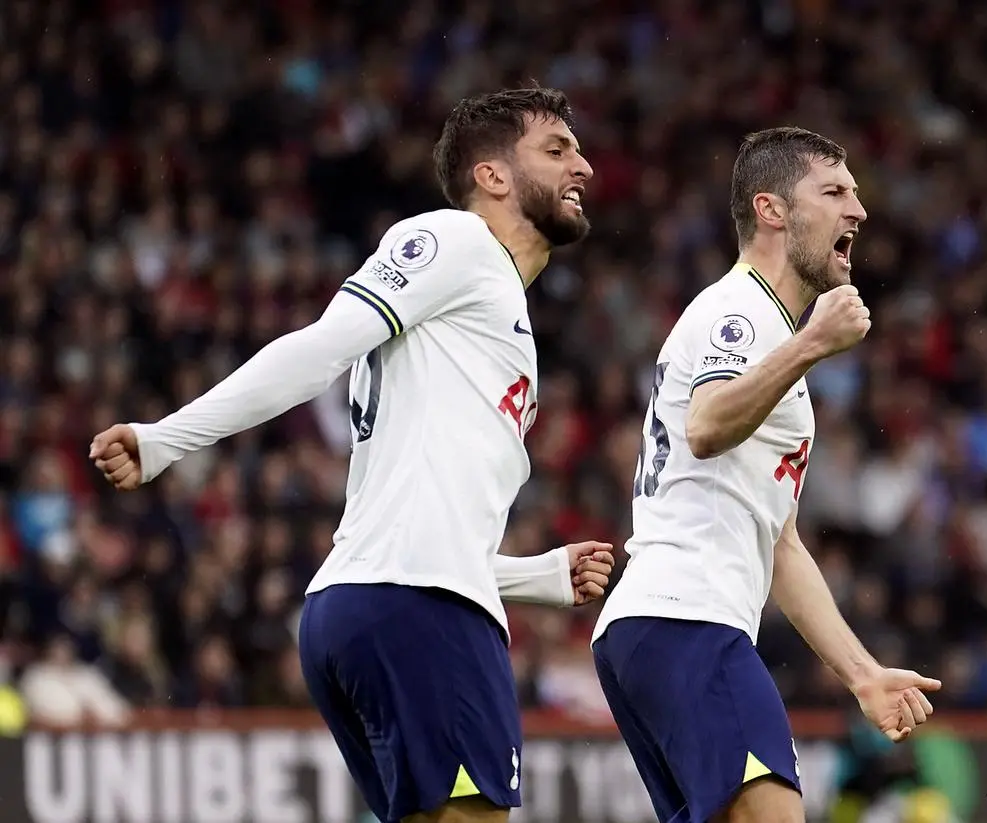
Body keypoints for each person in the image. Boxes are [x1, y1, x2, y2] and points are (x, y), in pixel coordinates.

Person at [89, 87, 615, 823]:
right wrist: (165, 438)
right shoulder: (456, 242)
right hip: (417, 605)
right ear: (493, 175)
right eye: (557, 149)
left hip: (380, 598)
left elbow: (423, 515)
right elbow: (320, 349)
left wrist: (539, 574)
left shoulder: (487, 311)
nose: (584, 165)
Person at [591, 127, 943, 823]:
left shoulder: (764, 332)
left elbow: (779, 543)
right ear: (772, 210)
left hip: (662, 627)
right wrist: (813, 341)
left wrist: (862, 673)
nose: (859, 210)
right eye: (835, 191)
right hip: (686, 618)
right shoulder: (740, 313)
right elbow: (707, 421)